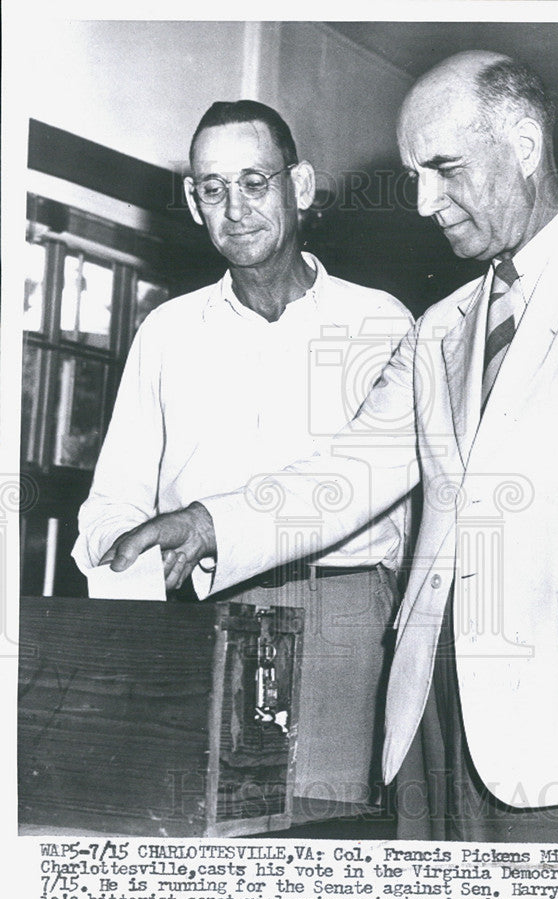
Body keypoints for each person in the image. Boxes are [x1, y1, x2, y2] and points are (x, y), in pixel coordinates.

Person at [104, 55, 558, 844]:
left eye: (443, 170)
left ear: (522, 143)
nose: (422, 202)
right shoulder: (443, 326)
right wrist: (209, 524)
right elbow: (354, 473)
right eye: (414, 174)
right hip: (426, 728)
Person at [73, 100, 413, 812]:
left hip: (340, 613)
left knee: (319, 827)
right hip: (199, 610)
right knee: (194, 819)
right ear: (195, 203)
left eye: (254, 182)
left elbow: (372, 486)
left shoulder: (381, 322)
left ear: (303, 186)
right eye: (212, 188)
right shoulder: (167, 332)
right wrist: (125, 565)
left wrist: (206, 525)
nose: (234, 209)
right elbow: (114, 499)